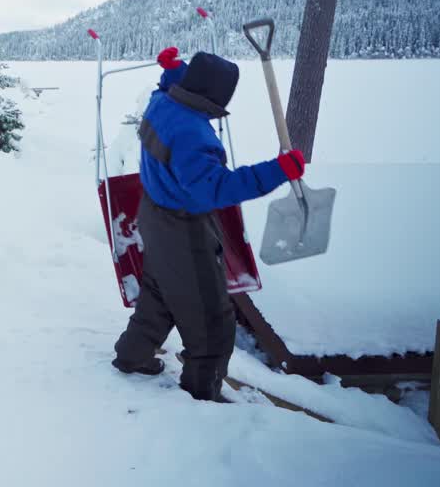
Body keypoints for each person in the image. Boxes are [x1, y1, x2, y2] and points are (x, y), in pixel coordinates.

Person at [112, 47, 305, 402]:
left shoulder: (162, 103)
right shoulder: (193, 136)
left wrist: (172, 71)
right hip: (183, 231)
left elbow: (168, 87)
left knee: (159, 295)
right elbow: (217, 189)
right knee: (211, 320)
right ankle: (202, 400)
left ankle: (132, 356)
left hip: (153, 214)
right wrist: (278, 170)